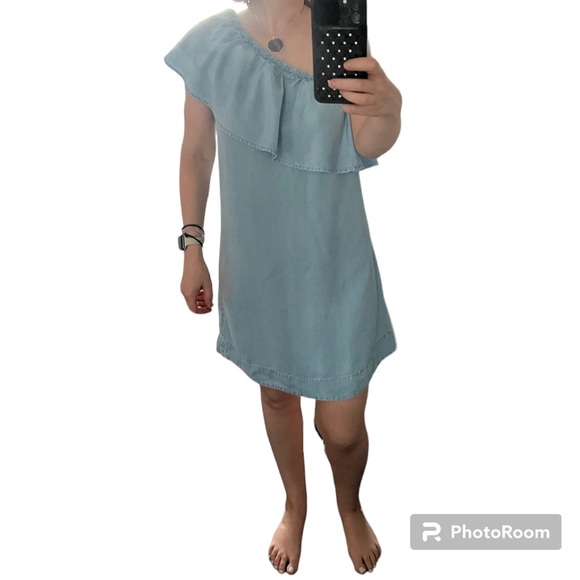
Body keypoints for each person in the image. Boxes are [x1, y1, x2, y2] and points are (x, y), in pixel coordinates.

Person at [164, 0, 402, 574]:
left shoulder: (336, 34)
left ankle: (350, 505)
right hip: (257, 265)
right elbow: (196, 149)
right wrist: (192, 244)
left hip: (335, 263)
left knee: (341, 430)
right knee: (275, 396)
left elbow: (369, 142)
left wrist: (389, 108)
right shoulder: (213, 41)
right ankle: (296, 505)